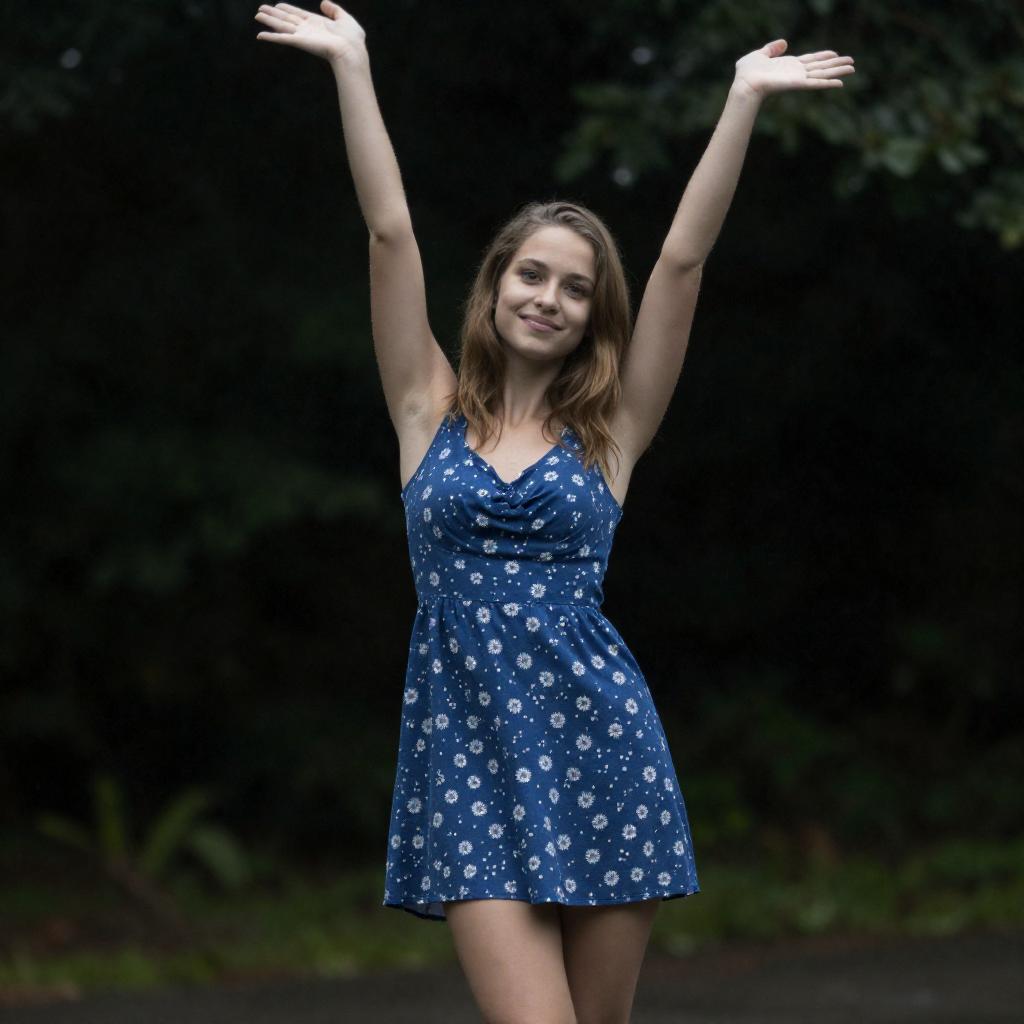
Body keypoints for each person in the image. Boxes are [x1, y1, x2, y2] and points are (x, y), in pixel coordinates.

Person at [255, 5, 854, 1021]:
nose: (547, 298)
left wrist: (742, 100)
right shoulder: (425, 409)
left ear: (591, 318)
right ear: (494, 285)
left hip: (602, 747)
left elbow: (680, 265)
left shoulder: (611, 433)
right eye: (530, 274)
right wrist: (352, 66)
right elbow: (390, 231)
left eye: (575, 289)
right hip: (468, 762)